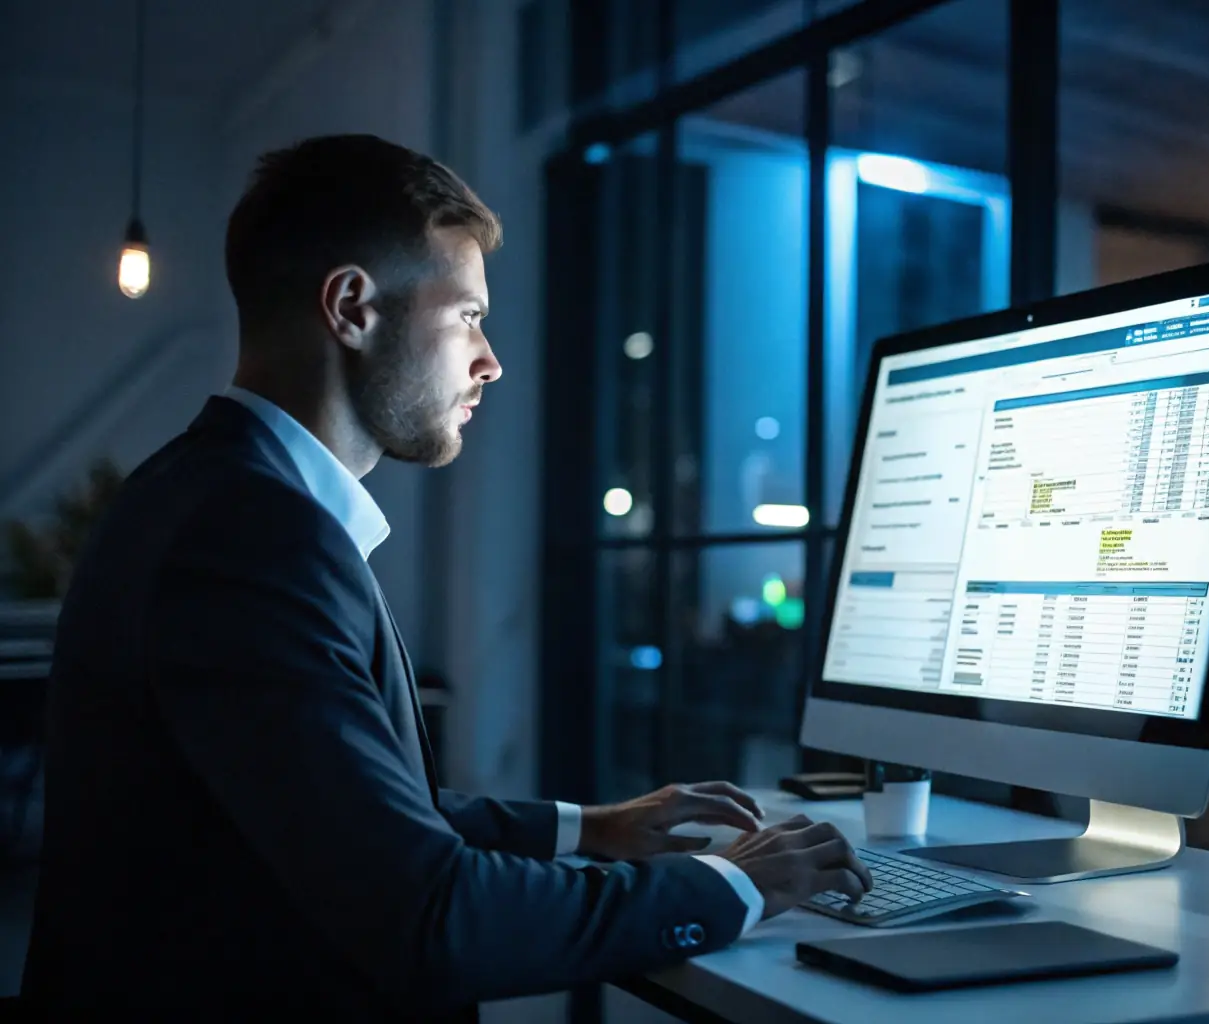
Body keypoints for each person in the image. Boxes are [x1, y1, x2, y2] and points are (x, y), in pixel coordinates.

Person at [21, 134, 871, 1018]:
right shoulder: (247, 538)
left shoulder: (208, 497)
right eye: (467, 315)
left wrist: (592, 827)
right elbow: (429, 912)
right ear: (353, 307)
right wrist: (727, 884)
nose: (490, 360)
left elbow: (344, 817)